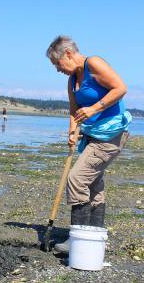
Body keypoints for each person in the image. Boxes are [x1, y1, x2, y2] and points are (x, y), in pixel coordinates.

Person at [46, 35, 132, 253]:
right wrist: (72, 132)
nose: (57, 69)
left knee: (76, 179)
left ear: (68, 53)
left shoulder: (93, 63)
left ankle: (77, 238)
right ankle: (93, 239)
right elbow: (74, 110)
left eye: (57, 63)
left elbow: (120, 88)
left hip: (111, 134)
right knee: (93, 184)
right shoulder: (71, 80)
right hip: (91, 135)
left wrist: (94, 108)